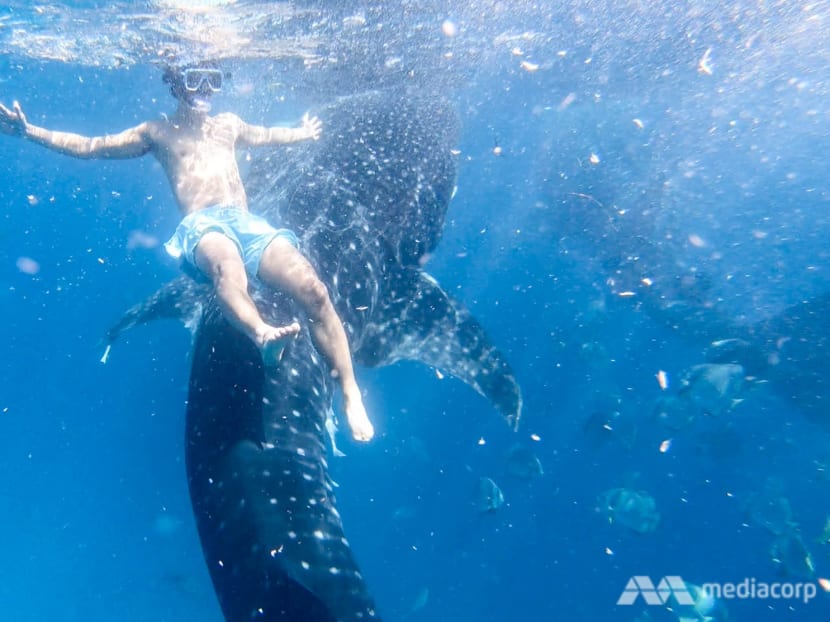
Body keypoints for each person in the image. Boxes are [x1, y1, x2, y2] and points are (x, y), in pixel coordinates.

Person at [0, 62, 374, 442]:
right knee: (229, 271)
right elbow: (93, 147)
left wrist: (300, 133)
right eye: (195, 79)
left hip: (247, 224)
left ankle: (349, 391)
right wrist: (29, 132)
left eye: (214, 79)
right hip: (204, 226)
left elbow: (266, 135)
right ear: (175, 83)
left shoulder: (228, 123)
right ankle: (262, 335)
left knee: (314, 290)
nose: (205, 90)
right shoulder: (156, 132)